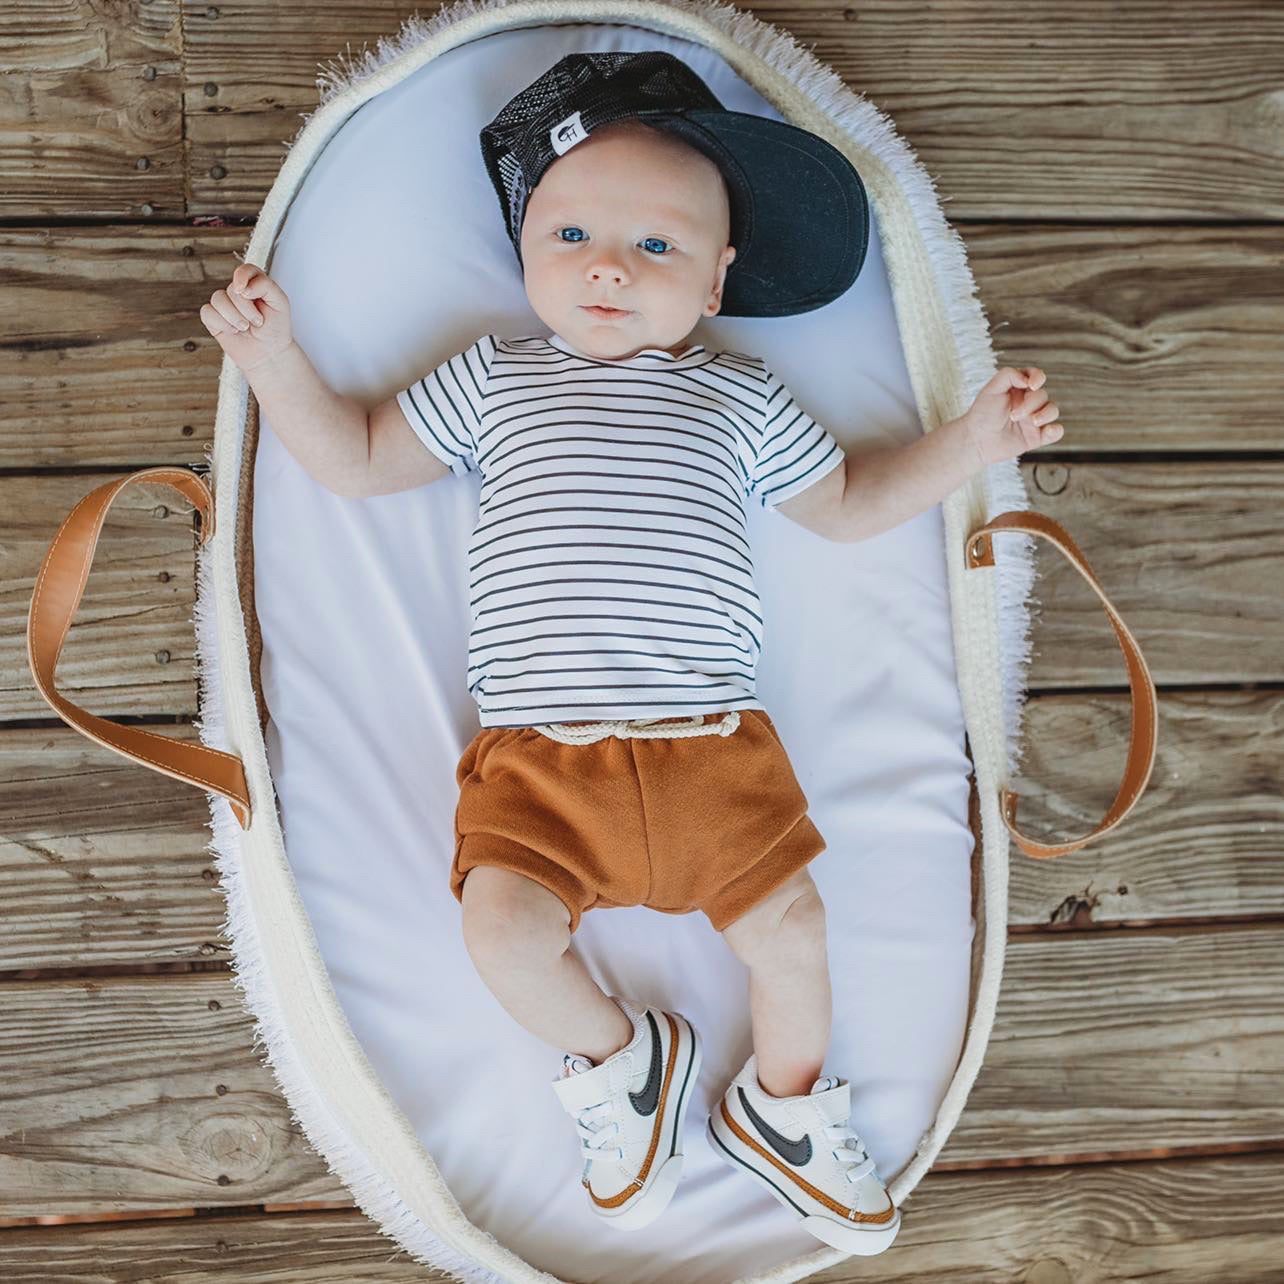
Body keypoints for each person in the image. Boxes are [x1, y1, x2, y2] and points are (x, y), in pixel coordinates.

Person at [198, 50, 1063, 1256]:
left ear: (717, 284)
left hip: (716, 756)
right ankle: (623, 1059)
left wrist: (972, 441)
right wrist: (271, 357)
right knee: (501, 933)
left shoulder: (740, 401)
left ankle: (787, 1108)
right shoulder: (492, 383)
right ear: (525, 250)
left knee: (796, 935)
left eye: (656, 249)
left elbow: (856, 506)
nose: (607, 264)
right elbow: (347, 463)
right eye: (573, 234)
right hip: (539, 767)